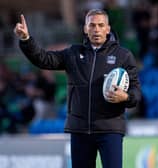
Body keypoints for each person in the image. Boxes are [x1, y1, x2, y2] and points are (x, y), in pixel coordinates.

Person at [14, 9, 141, 168]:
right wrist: (26, 39)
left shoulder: (123, 55)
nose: (96, 29)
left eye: (101, 25)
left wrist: (126, 98)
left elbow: (136, 91)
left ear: (108, 28)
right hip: (80, 130)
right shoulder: (73, 53)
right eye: (92, 25)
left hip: (110, 129)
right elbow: (44, 59)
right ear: (85, 29)